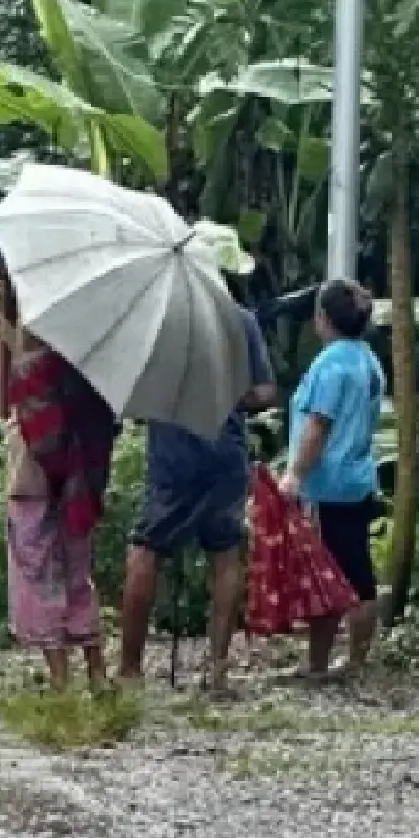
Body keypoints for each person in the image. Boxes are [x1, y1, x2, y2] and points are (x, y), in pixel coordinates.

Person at [118, 295, 278, 697]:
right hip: (225, 454)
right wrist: (226, 395)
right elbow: (264, 392)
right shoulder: (242, 320)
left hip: (174, 456)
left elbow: (133, 391)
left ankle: (130, 668)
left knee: (146, 549)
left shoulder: (158, 319)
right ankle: (217, 670)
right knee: (224, 552)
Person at [281, 277, 386, 679]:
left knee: (332, 576)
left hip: (329, 484)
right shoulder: (367, 359)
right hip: (358, 476)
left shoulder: (330, 365)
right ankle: (340, 660)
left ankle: (335, 662)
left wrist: (293, 474)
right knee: (352, 569)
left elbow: (317, 426)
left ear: (323, 319)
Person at [5, 338, 117, 694]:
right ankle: (97, 672)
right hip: (81, 487)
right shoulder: (94, 372)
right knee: (78, 576)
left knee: (39, 579)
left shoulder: (31, 371)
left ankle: (59, 678)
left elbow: (42, 438)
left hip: (35, 485)